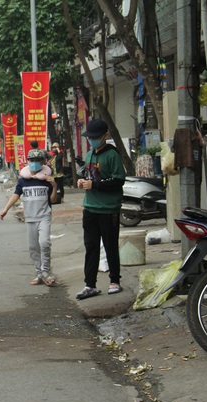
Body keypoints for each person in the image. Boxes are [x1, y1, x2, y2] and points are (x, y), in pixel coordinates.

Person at [75, 119, 126, 300]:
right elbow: (89, 177)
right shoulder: (89, 155)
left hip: (108, 209)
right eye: (90, 137)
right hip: (90, 208)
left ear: (105, 136)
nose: (92, 140)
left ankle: (114, 281)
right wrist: (83, 182)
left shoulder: (112, 155)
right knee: (91, 247)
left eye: (95, 137)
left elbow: (119, 180)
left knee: (110, 246)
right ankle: (90, 285)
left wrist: (95, 184)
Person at [0, 148, 58, 286]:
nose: (35, 163)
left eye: (38, 160)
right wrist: (5, 209)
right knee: (33, 247)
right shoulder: (23, 181)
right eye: (32, 160)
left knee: (44, 243)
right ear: (28, 161)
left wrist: (54, 186)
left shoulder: (47, 180)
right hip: (30, 217)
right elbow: (15, 195)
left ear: (43, 162)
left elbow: (53, 200)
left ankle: (46, 271)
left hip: (44, 216)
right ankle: (39, 274)